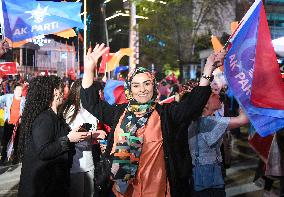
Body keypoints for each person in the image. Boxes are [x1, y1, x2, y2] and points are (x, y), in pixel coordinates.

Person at [80, 44, 224, 197]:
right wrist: (89, 69)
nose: (142, 89)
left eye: (146, 83)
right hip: (121, 193)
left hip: (157, 191)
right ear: (129, 90)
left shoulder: (166, 114)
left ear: (154, 87)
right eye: (136, 85)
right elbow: (92, 103)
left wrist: (208, 68)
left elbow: (194, 104)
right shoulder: (119, 112)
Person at [17, 76, 91, 197]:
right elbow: (44, 151)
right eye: (62, 87)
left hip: (53, 182)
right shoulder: (44, 118)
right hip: (44, 186)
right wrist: (68, 139)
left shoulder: (55, 116)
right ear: (55, 91)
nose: (65, 90)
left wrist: (74, 134)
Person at [188, 93, 249, 197]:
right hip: (208, 177)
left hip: (198, 175)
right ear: (206, 104)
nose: (217, 95)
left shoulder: (196, 120)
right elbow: (243, 119)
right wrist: (244, 94)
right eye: (212, 95)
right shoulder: (208, 122)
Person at [59, 79, 106, 197]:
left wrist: (99, 141)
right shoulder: (70, 110)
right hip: (75, 163)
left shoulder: (91, 109)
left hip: (89, 161)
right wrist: (95, 134)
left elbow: (90, 134)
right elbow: (74, 136)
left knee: (90, 193)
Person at [0, 83, 25, 164]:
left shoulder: (24, 100)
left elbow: (27, 110)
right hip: (9, 123)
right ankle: (3, 158)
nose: (19, 92)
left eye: (20, 90)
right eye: (17, 90)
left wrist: (23, 115)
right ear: (14, 91)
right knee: (5, 141)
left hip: (18, 125)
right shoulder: (8, 97)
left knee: (17, 142)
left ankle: (15, 158)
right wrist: (2, 106)